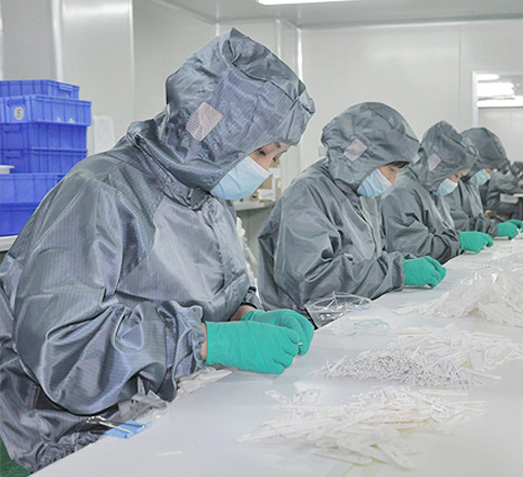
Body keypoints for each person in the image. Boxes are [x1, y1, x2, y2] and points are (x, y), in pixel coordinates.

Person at [0, 29, 315, 472]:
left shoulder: (208, 197)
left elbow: (218, 292)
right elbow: (64, 351)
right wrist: (205, 340)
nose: (268, 169)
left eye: (277, 157)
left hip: (173, 404)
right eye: (264, 152)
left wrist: (245, 316)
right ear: (215, 133)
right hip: (80, 433)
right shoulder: (101, 192)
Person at [257, 102, 446, 321]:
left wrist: (403, 261)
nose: (393, 181)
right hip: (310, 325)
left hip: (349, 315)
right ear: (361, 156)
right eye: (390, 170)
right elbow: (311, 281)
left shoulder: (361, 193)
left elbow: (365, 257)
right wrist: (395, 271)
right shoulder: (308, 193)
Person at [380, 121, 493, 264]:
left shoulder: (431, 190)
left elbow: (442, 231)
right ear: (440, 168)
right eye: (456, 176)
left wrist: (456, 240)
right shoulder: (401, 193)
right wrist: (459, 242)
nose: (456, 183)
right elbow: (412, 248)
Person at [446, 127, 523, 239]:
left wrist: (497, 223)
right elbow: (457, 223)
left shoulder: (471, 184)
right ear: (476, 162)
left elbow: (475, 218)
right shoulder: (450, 184)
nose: (490, 175)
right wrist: (493, 228)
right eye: (490, 169)